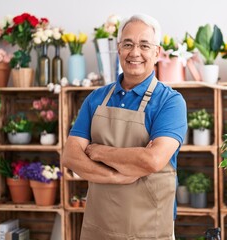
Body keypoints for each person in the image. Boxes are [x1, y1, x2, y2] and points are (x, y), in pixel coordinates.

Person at [61, 13, 187, 240]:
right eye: (128, 44)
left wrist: (99, 151)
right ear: (118, 49)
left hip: (148, 229)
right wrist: (117, 177)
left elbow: (153, 160)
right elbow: (70, 157)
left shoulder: (170, 102)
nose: (135, 52)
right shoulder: (96, 98)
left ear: (157, 53)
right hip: (97, 226)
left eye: (144, 45)